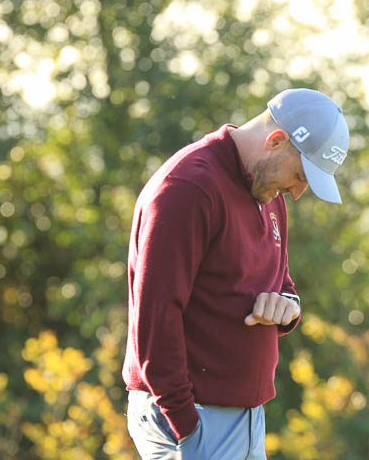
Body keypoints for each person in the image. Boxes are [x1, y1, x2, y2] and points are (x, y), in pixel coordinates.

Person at [123, 88, 350, 459]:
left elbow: (281, 281)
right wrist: (186, 426)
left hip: (245, 419)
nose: (297, 192)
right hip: (191, 418)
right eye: (299, 175)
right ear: (276, 141)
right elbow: (154, 318)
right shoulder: (188, 189)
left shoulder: (267, 191)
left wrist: (287, 306)